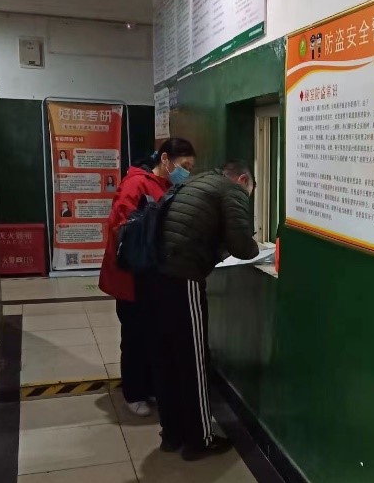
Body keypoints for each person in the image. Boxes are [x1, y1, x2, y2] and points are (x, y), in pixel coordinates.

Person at [139, 161, 258, 460]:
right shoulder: (232, 191)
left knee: (167, 358)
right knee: (193, 360)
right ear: (243, 180)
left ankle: (172, 434)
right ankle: (200, 440)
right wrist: (256, 246)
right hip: (182, 277)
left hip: (155, 275)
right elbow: (243, 246)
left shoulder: (198, 181)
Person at [99, 138, 197, 417]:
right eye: (184, 165)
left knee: (154, 335)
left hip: (153, 278)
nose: (186, 172)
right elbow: (121, 227)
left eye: (191, 168)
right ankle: (134, 392)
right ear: (165, 159)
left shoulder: (166, 185)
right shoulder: (136, 184)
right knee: (135, 336)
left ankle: (151, 385)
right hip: (132, 278)